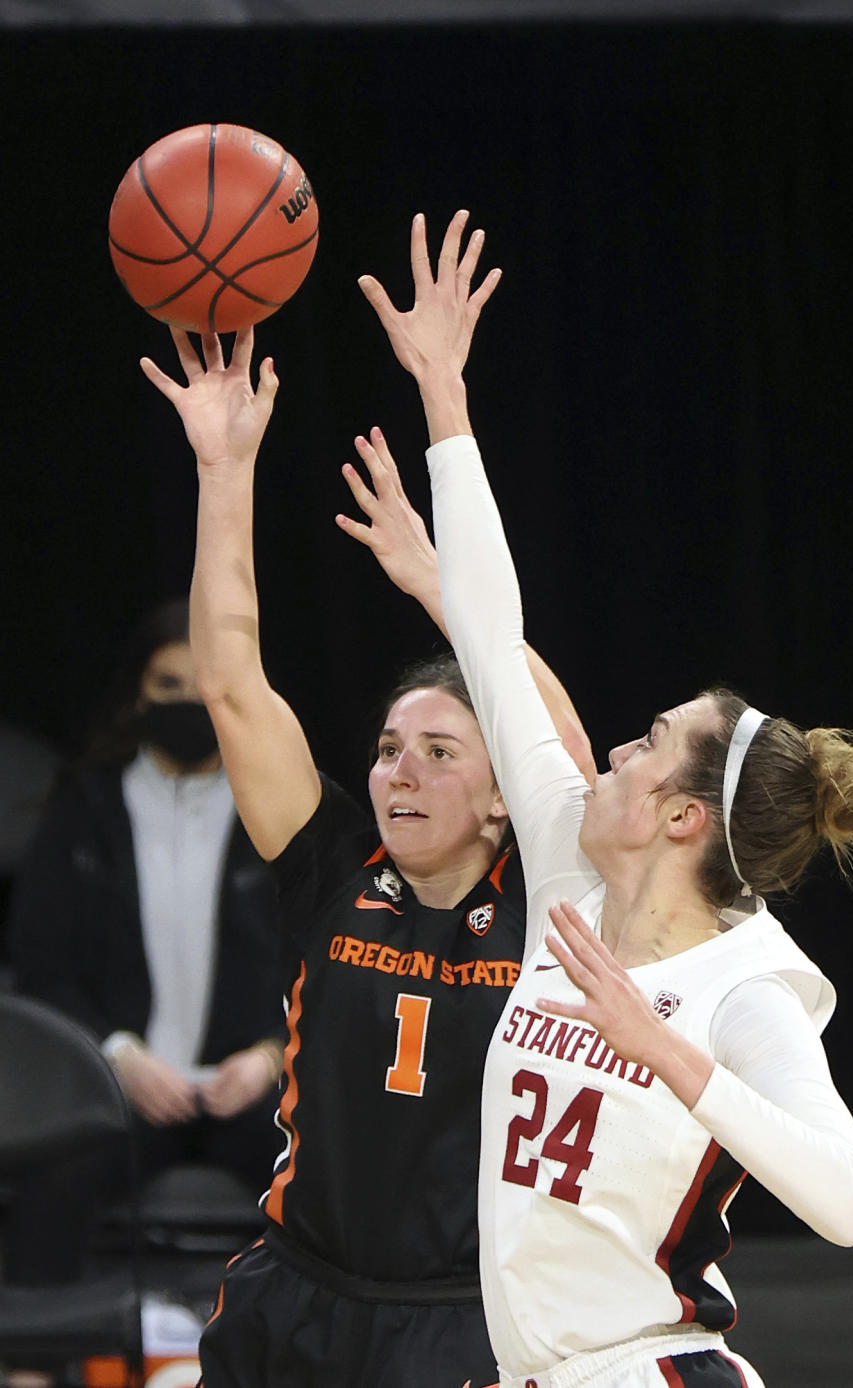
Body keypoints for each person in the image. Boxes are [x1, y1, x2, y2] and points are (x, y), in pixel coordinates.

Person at [358, 208, 853, 1388]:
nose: (612, 746)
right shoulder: (576, 876)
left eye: (649, 742)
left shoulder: (744, 989)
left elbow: (849, 1204)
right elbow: (491, 631)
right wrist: (444, 394)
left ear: (682, 816)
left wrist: (670, 1055)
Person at [138, 325, 594, 1388]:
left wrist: (447, 588)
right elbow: (233, 680)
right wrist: (224, 468)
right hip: (294, 1294)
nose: (401, 772)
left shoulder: (549, 890)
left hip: (461, 1319)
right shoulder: (334, 861)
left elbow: (565, 746)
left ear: (499, 795)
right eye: (391, 748)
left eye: (441, 753)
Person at [6, 599, 285, 1291]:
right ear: (138, 693)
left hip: (251, 1089)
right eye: (168, 687)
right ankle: (38, 1363)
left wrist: (271, 1055)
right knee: (55, 1172)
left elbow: (333, 956)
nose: (187, 703)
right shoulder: (82, 813)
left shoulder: (283, 814)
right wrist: (119, 1056)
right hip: (120, 1090)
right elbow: (42, 967)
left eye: (203, 687)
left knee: (333, 1184)